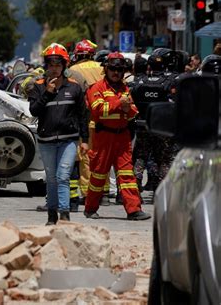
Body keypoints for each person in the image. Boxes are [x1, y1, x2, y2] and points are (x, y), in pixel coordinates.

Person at [85, 52, 150, 220]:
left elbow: (132, 112)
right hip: (103, 137)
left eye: (119, 70)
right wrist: (119, 104)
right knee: (99, 174)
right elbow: (97, 110)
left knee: (127, 174)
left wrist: (128, 110)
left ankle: (134, 210)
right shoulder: (97, 88)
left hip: (122, 138)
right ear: (106, 69)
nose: (116, 72)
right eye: (113, 69)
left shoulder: (125, 88)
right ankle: (90, 208)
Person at [28, 43, 89, 224]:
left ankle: (64, 214)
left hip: (68, 140)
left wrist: (84, 140)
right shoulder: (38, 87)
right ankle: (51, 215)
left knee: (63, 176)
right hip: (46, 141)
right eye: (51, 65)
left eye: (58, 65)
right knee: (52, 179)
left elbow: (82, 115)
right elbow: (34, 111)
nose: (54, 69)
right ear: (46, 66)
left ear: (64, 66)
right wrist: (47, 93)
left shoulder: (74, 88)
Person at [131, 49, 179, 192]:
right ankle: (162, 189)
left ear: (149, 66)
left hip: (143, 125)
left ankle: (135, 186)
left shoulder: (139, 82)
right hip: (162, 128)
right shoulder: (170, 82)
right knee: (164, 159)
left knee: (140, 156)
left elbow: (132, 100)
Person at [68, 39, 105, 208]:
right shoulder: (102, 68)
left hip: (86, 118)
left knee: (85, 158)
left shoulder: (73, 70)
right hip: (105, 117)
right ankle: (103, 191)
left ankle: (88, 193)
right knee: (102, 155)